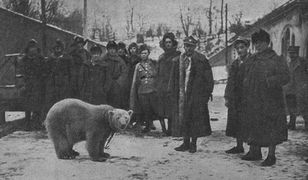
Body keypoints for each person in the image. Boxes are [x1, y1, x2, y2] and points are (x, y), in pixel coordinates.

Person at [241, 29, 289, 166]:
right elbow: (246, 76)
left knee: (271, 128)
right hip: (254, 98)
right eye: (256, 43)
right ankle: (255, 152)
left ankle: (271, 156)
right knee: (254, 124)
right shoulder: (252, 59)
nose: (258, 46)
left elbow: (286, 77)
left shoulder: (276, 59)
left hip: (271, 100)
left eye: (261, 43)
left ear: (267, 43)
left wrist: (270, 80)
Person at [169, 36, 214, 153]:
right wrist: (172, 92)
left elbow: (209, 79)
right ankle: (185, 142)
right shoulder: (178, 60)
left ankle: (193, 143)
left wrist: (206, 94)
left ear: (195, 47)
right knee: (183, 118)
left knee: (195, 119)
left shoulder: (201, 60)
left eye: (191, 46)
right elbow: (173, 79)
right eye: (186, 46)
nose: (188, 48)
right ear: (184, 46)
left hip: (196, 95)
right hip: (182, 93)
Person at [225, 37, 251, 154]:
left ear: (247, 48)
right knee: (237, 121)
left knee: (249, 122)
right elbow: (230, 81)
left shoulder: (252, 62)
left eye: (242, 47)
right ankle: (239, 146)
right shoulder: (235, 63)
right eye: (237, 48)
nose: (240, 50)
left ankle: (253, 149)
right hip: (236, 97)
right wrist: (227, 97)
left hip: (248, 97)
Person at [130, 44, 159, 133]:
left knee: (154, 108)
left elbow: (158, 75)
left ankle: (153, 124)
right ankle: (148, 125)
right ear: (139, 55)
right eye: (142, 53)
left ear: (148, 53)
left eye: (145, 53)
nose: (143, 55)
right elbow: (135, 80)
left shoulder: (154, 63)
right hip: (142, 90)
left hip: (152, 89)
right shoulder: (138, 66)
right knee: (145, 108)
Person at [157, 32, 181, 135]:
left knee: (172, 108)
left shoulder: (178, 56)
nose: (168, 44)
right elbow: (158, 72)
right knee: (163, 108)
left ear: (173, 43)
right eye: (166, 42)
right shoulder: (161, 57)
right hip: (162, 86)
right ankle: (165, 129)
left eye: (170, 42)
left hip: (174, 86)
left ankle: (173, 129)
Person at [21, 39, 46, 129]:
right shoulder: (24, 59)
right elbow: (23, 71)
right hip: (28, 84)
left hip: (38, 84)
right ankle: (27, 123)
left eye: (34, 48)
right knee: (27, 104)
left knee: (38, 104)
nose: (32, 50)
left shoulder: (40, 59)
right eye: (31, 48)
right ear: (28, 49)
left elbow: (44, 71)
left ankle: (37, 122)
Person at [44, 39, 71, 117]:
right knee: (52, 103)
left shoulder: (67, 59)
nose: (58, 49)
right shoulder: (50, 60)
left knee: (63, 103)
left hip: (64, 84)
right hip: (53, 85)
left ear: (62, 49)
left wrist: (69, 83)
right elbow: (46, 72)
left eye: (59, 47)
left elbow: (71, 73)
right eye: (56, 48)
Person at [284, 46, 308, 130]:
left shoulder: (303, 62)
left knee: (304, 106)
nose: (291, 55)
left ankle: (307, 123)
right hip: (290, 88)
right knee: (291, 107)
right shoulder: (288, 62)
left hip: (300, 87)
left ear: (297, 53)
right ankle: (292, 123)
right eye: (290, 53)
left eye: (293, 53)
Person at [101, 41, 128, 108]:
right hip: (106, 84)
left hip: (116, 84)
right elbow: (100, 72)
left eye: (113, 49)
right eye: (110, 49)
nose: (112, 51)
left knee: (116, 103)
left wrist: (119, 82)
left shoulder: (120, 60)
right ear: (108, 50)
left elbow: (124, 72)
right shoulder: (104, 59)